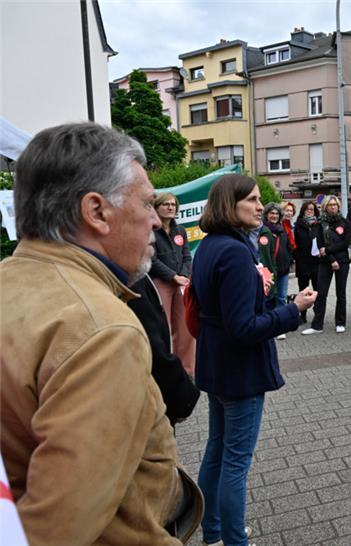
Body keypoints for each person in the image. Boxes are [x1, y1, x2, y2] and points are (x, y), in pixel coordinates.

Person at [0, 122, 191, 544]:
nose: (155, 222)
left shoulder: (11, 282)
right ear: (97, 212)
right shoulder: (102, 329)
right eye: (146, 203)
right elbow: (56, 530)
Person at [193, 174, 317, 546]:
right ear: (229, 205)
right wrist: (293, 310)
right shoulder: (232, 250)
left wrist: (275, 304)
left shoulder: (212, 245)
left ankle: (213, 532)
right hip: (239, 371)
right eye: (251, 199)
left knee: (217, 451)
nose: (260, 206)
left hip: (217, 366)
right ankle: (233, 539)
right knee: (234, 463)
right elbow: (243, 327)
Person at [128, 276, 201, 425]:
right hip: (151, 405)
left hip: (159, 402)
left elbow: (185, 252)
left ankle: (187, 373)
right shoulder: (130, 283)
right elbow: (155, 349)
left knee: (183, 330)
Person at [150, 191, 196, 375]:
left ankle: (186, 371)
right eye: (166, 204)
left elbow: (187, 256)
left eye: (173, 205)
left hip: (180, 283)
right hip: (160, 282)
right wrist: (172, 276)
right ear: (156, 208)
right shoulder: (150, 230)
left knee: (186, 327)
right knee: (163, 328)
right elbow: (151, 260)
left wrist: (183, 276)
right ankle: (163, 372)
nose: (171, 207)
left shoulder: (181, 230)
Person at [303, 195, 351, 334]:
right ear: (325, 207)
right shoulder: (320, 223)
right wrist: (331, 259)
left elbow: (345, 243)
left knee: (340, 293)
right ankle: (317, 325)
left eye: (335, 204)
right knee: (321, 293)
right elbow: (320, 244)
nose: (333, 207)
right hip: (325, 262)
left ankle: (340, 323)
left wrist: (329, 251)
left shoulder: (345, 222)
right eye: (330, 205)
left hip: (343, 261)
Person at [260, 203, 294, 310]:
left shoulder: (282, 230)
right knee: (269, 299)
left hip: (283, 270)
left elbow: (289, 247)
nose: (274, 216)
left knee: (282, 298)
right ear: (266, 215)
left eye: (276, 214)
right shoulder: (263, 231)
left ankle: (281, 323)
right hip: (269, 272)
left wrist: (289, 260)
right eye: (271, 213)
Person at [293, 200, 320, 324]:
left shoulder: (318, 224)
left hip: (317, 263)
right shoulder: (297, 225)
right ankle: (302, 315)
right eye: (307, 209)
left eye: (312, 209)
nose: (309, 211)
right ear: (303, 211)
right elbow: (294, 244)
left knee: (317, 290)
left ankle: (318, 314)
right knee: (303, 290)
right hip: (302, 262)